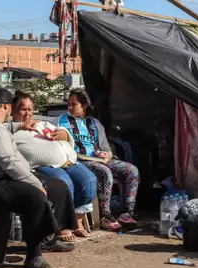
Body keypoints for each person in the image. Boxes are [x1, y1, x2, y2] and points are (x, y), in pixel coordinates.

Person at [0, 88, 76, 268]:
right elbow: (10, 163)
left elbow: (4, 129)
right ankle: (33, 255)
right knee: (34, 196)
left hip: (0, 180)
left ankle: (50, 238)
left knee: (58, 187)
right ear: (6, 107)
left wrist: (19, 126)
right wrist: (35, 183)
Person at [11, 91, 97, 238]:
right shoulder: (11, 129)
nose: (27, 114)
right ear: (13, 110)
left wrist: (64, 134)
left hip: (68, 160)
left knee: (88, 181)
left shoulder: (41, 124)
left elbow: (60, 130)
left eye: (30, 109)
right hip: (41, 166)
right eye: (23, 109)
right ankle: (61, 226)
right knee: (64, 184)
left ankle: (76, 221)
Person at [58, 88, 139, 232]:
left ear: (84, 105)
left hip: (97, 159)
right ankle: (105, 216)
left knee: (131, 170)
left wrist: (106, 154)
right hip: (79, 161)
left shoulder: (95, 124)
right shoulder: (61, 121)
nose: (69, 107)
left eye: (73, 104)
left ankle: (127, 213)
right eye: (68, 104)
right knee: (104, 172)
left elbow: (105, 147)